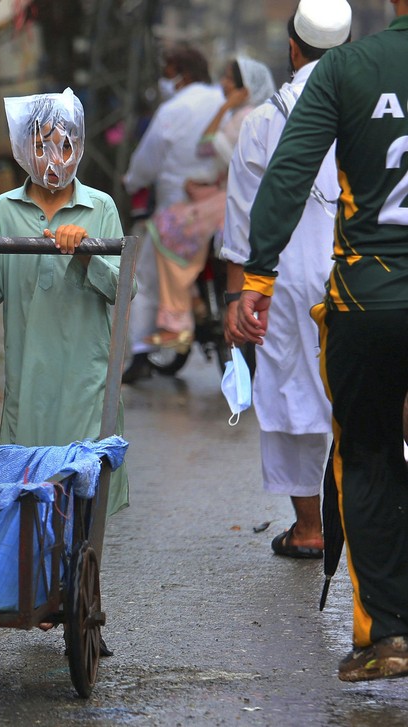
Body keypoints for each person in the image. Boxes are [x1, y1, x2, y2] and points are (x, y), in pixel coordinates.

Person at [238, 0, 408, 682]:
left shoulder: (347, 69)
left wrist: (257, 274)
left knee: (366, 455)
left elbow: (287, 173)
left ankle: (386, 636)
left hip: (367, 300)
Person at [0, 88, 130, 518]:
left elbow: (123, 290)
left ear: (80, 146)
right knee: (27, 500)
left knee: (84, 496)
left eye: (65, 144)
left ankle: (75, 586)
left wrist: (87, 250)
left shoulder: (100, 206)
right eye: (40, 145)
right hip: (25, 380)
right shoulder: (5, 207)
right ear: (21, 149)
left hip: (85, 379)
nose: (55, 156)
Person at [222, 0, 351, 560]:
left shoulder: (263, 121)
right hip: (359, 271)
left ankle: (309, 530)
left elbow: (241, 221)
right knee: (365, 395)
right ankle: (372, 523)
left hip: (280, 279)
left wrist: (236, 297)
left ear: (293, 48)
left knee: (291, 388)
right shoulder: (370, 107)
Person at [143, 55, 275, 350]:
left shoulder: (249, 117)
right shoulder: (238, 115)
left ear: (245, 86)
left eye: (229, 79)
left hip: (238, 200)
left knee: (169, 228)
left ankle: (178, 318)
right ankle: (193, 302)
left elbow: (234, 160)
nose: (223, 84)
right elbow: (206, 147)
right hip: (225, 194)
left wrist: (227, 108)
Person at [122, 46, 224, 381]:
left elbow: (145, 164)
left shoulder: (172, 110)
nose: (165, 80)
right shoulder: (223, 100)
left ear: (179, 72)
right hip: (224, 210)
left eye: (167, 72)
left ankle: (139, 353)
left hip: (178, 214)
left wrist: (131, 181)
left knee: (145, 278)